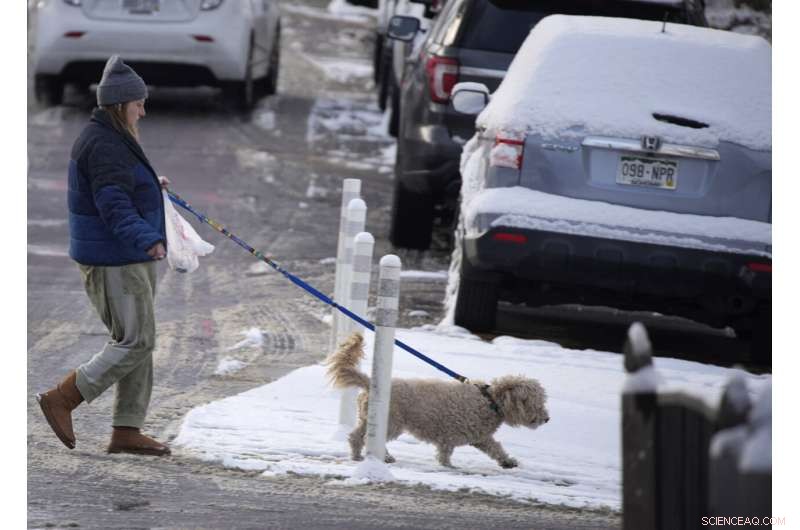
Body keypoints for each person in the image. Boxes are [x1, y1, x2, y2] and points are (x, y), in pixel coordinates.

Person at [36, 55, 172, 456]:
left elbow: (119, 186)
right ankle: (63, 397)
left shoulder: (111, 136)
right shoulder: (105, 144)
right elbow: (112, 204)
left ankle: (127, 429)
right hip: (116, 259)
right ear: (119, 105)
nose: (143, 111)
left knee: (138, 340)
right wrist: (149, 238)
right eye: (138, 104)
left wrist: (150, 183)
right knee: (135, 341)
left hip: (125, 256)